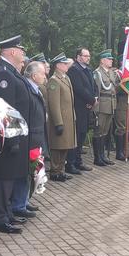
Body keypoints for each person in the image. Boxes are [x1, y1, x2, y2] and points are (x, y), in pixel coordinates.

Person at [0, 35, 32, 234]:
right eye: (21, 50)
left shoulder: (11, 71)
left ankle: (7, 213)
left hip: (17, 133)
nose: (23, 54)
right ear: (12, 51)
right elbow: (6, 109)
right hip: (9, 136)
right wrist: (12, 139)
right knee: (4, 177)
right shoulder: (3, 73)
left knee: (11, 176)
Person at [46, 53, 77, 181]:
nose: (67, 65)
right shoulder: (54, 80)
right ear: (58, 65)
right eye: (64, 63)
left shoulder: (65, 78)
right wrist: (58, 122)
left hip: (68, 119)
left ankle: (61, 170)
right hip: (60, 119)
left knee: (65, 146)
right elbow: (54, 104)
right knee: (57, 146)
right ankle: (54, 171)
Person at [22, 61, 47, 211]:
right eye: (42, 73)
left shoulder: (36, 88)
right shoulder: (28, 89)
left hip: (37, 135)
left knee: (33, 170)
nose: (45, 76)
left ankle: (25, 201)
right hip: (31, 136)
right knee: (29, 170)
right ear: (34, 75)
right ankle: (21, 202)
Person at [66, 47, 97, 173]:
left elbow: (93, 86)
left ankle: (79, 162)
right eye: (85, 56)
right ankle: (71, 163)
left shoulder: (88, 70)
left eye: (89, 56)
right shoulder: (74, 69)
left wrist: (94, 98)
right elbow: (79, 89)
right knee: (77, 135)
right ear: (78, 57)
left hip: (87, 107)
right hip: (78, 107)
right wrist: (91, 100)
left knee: (83, 134)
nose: (88, 58)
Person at [93, 49, 117, 166]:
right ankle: (98, 157)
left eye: (111, 59)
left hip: (111, 104)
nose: (111, 61)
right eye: (109, 59)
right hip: (102, 105)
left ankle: (103, 156)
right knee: (99, 131)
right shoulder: (97, 73)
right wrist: (96, 109)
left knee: (105, 131)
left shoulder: (111, 72)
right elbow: (96, 92)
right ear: (102, 61)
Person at [114, 53, 129, 161]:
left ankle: (125, 151)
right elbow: (115, 89)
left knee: (128, 128)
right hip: (122, 104)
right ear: (121, 62)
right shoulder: (117, 74)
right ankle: (119, 153)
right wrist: (125, 83)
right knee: (121, 128)